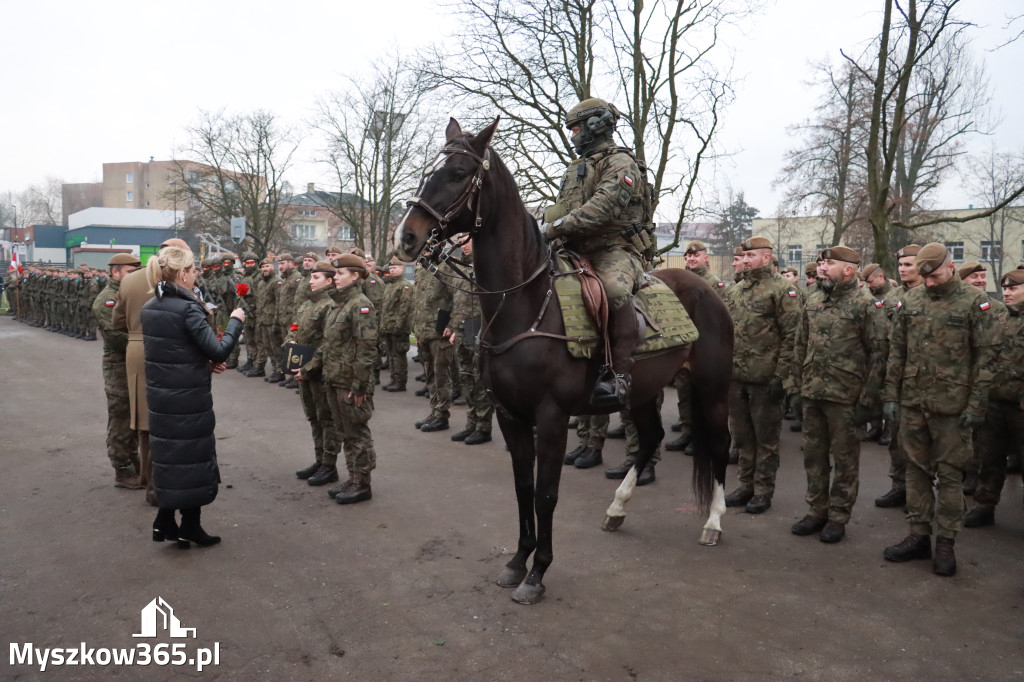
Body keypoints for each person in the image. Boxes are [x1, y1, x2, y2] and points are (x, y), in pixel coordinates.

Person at [881, 243, 1000, 576]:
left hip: (953, 407)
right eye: (925, 277)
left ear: (951, 266)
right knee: (915, 471)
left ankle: (946, 542)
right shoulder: (911, 300)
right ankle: (918, 534)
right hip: (913, 402)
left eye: (934, 276)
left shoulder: (974, 303)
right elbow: (897, 351)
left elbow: (987, 358)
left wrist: (977, 404)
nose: (929, 282)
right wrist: (890, 396)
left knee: (949, 476)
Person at [541, 97, 649, 408]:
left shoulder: (621, 162)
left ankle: (619, 375)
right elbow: (563, 209)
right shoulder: (576, 168)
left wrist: (553, 228)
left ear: (595, 125)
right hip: (575, 249)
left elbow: (602, 209)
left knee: (613, 290)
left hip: (615, 249)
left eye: (575, 129)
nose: (572, 136)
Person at [140, 245, 245, 548]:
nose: (197, 275)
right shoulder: (188, 308)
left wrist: (202, 361)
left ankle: (170, 521)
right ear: (183, 274)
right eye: (193, 270)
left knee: (172, 458)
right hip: (187, 398)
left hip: (163, 396)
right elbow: (219, 350)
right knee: (192, 458)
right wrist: (236, 321)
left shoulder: (151, 307)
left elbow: (174, 350)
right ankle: (187, 525)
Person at [791, 247, 887, 542]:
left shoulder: (865, 304)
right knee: (814, 457)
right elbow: (800, 344)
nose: (821, 267)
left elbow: (879, 355)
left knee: (845, 461)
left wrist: (869, 401)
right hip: (813, 392)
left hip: (846, 398)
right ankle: (816, 510)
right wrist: (795, 388)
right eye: (820, 262)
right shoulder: (813, 299)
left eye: (829, 263)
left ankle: (838, 516)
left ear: (848, 270)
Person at [723, 236, 801, 514]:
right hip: (736, 377)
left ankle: (763, 491)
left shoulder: (782, 290)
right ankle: (745, 485)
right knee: (742, 437)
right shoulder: (736, 290)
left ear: (766, 257)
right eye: (743, 256)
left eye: (751, 256)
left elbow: (793, 335)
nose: (745, 260)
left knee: (766, 440)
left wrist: (782, 375)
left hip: (765, 379)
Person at [113, 237, 193, 506]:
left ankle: (150, 482)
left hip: (138, 350)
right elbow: (200, 316)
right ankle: (168, 482)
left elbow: (117, 322)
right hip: (173, 351)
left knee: (147, 423)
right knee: (175, 419)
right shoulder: (181, 278)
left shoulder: (130, 280)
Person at [302, 254, 379, 504]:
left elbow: (367, 348)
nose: (335, 278)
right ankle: (353, 476)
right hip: (334, 377)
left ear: (355, 276)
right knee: (345, 432)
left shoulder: (360, 305)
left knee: (357, 432)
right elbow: (329, 344)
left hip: (350, 381)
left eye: (340, 273)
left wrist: (360, 385)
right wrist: (310, 367)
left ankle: (362, 482)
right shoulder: (339, 304)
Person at [962, 269, 1024, 527]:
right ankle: (984, 505)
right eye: (1005, 289)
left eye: (1013, 288)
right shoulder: (998, 318)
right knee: (989, 458)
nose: (1006, 293)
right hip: (994, 402)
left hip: (1020, 405)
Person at [875, 244, 923, 508]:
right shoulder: (892, 297)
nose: (903, 270)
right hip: (895, 376)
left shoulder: (930, 294)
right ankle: (900, 487)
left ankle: (922, 495)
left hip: (925, 380)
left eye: (909, 265)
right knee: (897, 439)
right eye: (901, 265)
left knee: (924, 444)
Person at [93, 252, 144, 489]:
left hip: (134, 364)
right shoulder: (107, 300)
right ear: (115, 273)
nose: (134, 277)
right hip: (119, 368)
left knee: (135, 417)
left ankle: (134, 461)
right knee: (121, 418)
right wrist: (146, 345)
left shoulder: (129, 294)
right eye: (130, 273)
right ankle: (122, 469)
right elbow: (116, 337)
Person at [291, 261, 342, 486]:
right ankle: (320, 460)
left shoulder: (329, 306)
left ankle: (329, 465)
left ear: (329, 281)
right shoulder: (307, 305)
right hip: (304, 369)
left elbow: (327, 343)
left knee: (326, 419)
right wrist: (290, 344)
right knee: (313, 417)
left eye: (316, 277)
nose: (311, 281)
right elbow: (294, 329)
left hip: (320, 372)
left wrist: (309, 368)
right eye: (311, 277)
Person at [446, 238, 493, 445]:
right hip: (461, 328)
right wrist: (452, 326)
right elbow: (455, 300)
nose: (462, 245)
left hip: (478, 327)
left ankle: (483, 426)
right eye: (460, 241)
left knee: (479, 378)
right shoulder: (460, 268)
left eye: (466, 240)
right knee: (466, 377)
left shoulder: (487, 264)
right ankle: (471, 422)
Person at [380, 257, 414, 392]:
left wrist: (399, 326)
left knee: (399, 355)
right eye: (391, 268)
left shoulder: (404, 286)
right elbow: (385, 307)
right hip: (388, 326)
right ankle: (394, 379)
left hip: (399, 327)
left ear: (402, 268)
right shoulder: (389, 285)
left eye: (395, 268)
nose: (392, 270)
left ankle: (400, 381)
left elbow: (404, 308)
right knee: (391, 355)